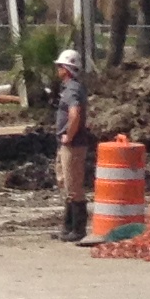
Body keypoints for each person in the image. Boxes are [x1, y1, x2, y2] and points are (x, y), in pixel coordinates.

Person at [54, 48, 95, 240]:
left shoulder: (72, 90)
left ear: (67, 69)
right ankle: (68, 227)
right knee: (65, 182)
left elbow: (75, 113)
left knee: (73, 185)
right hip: (68, 144)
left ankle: (77, 229)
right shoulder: (69, 88)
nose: (58, 70)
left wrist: (68, 136)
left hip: (73, 145)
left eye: (60, 66)